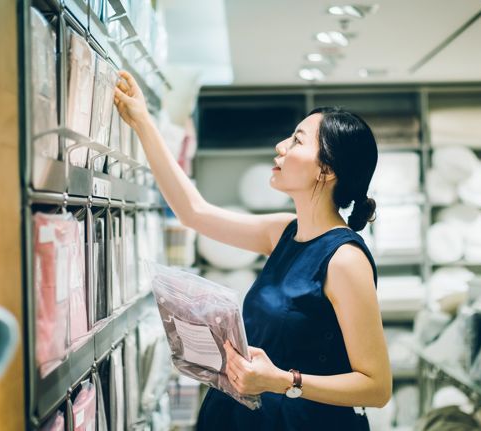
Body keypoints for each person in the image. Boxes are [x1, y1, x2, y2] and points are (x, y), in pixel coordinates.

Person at [114, 71, 391, 430]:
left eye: (296, 140)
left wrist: (284, 381)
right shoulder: (283, 232)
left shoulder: (344, 260)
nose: (280, 146)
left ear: (325, 168)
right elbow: (193, 212)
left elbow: (377, 386)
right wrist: (142, 123)